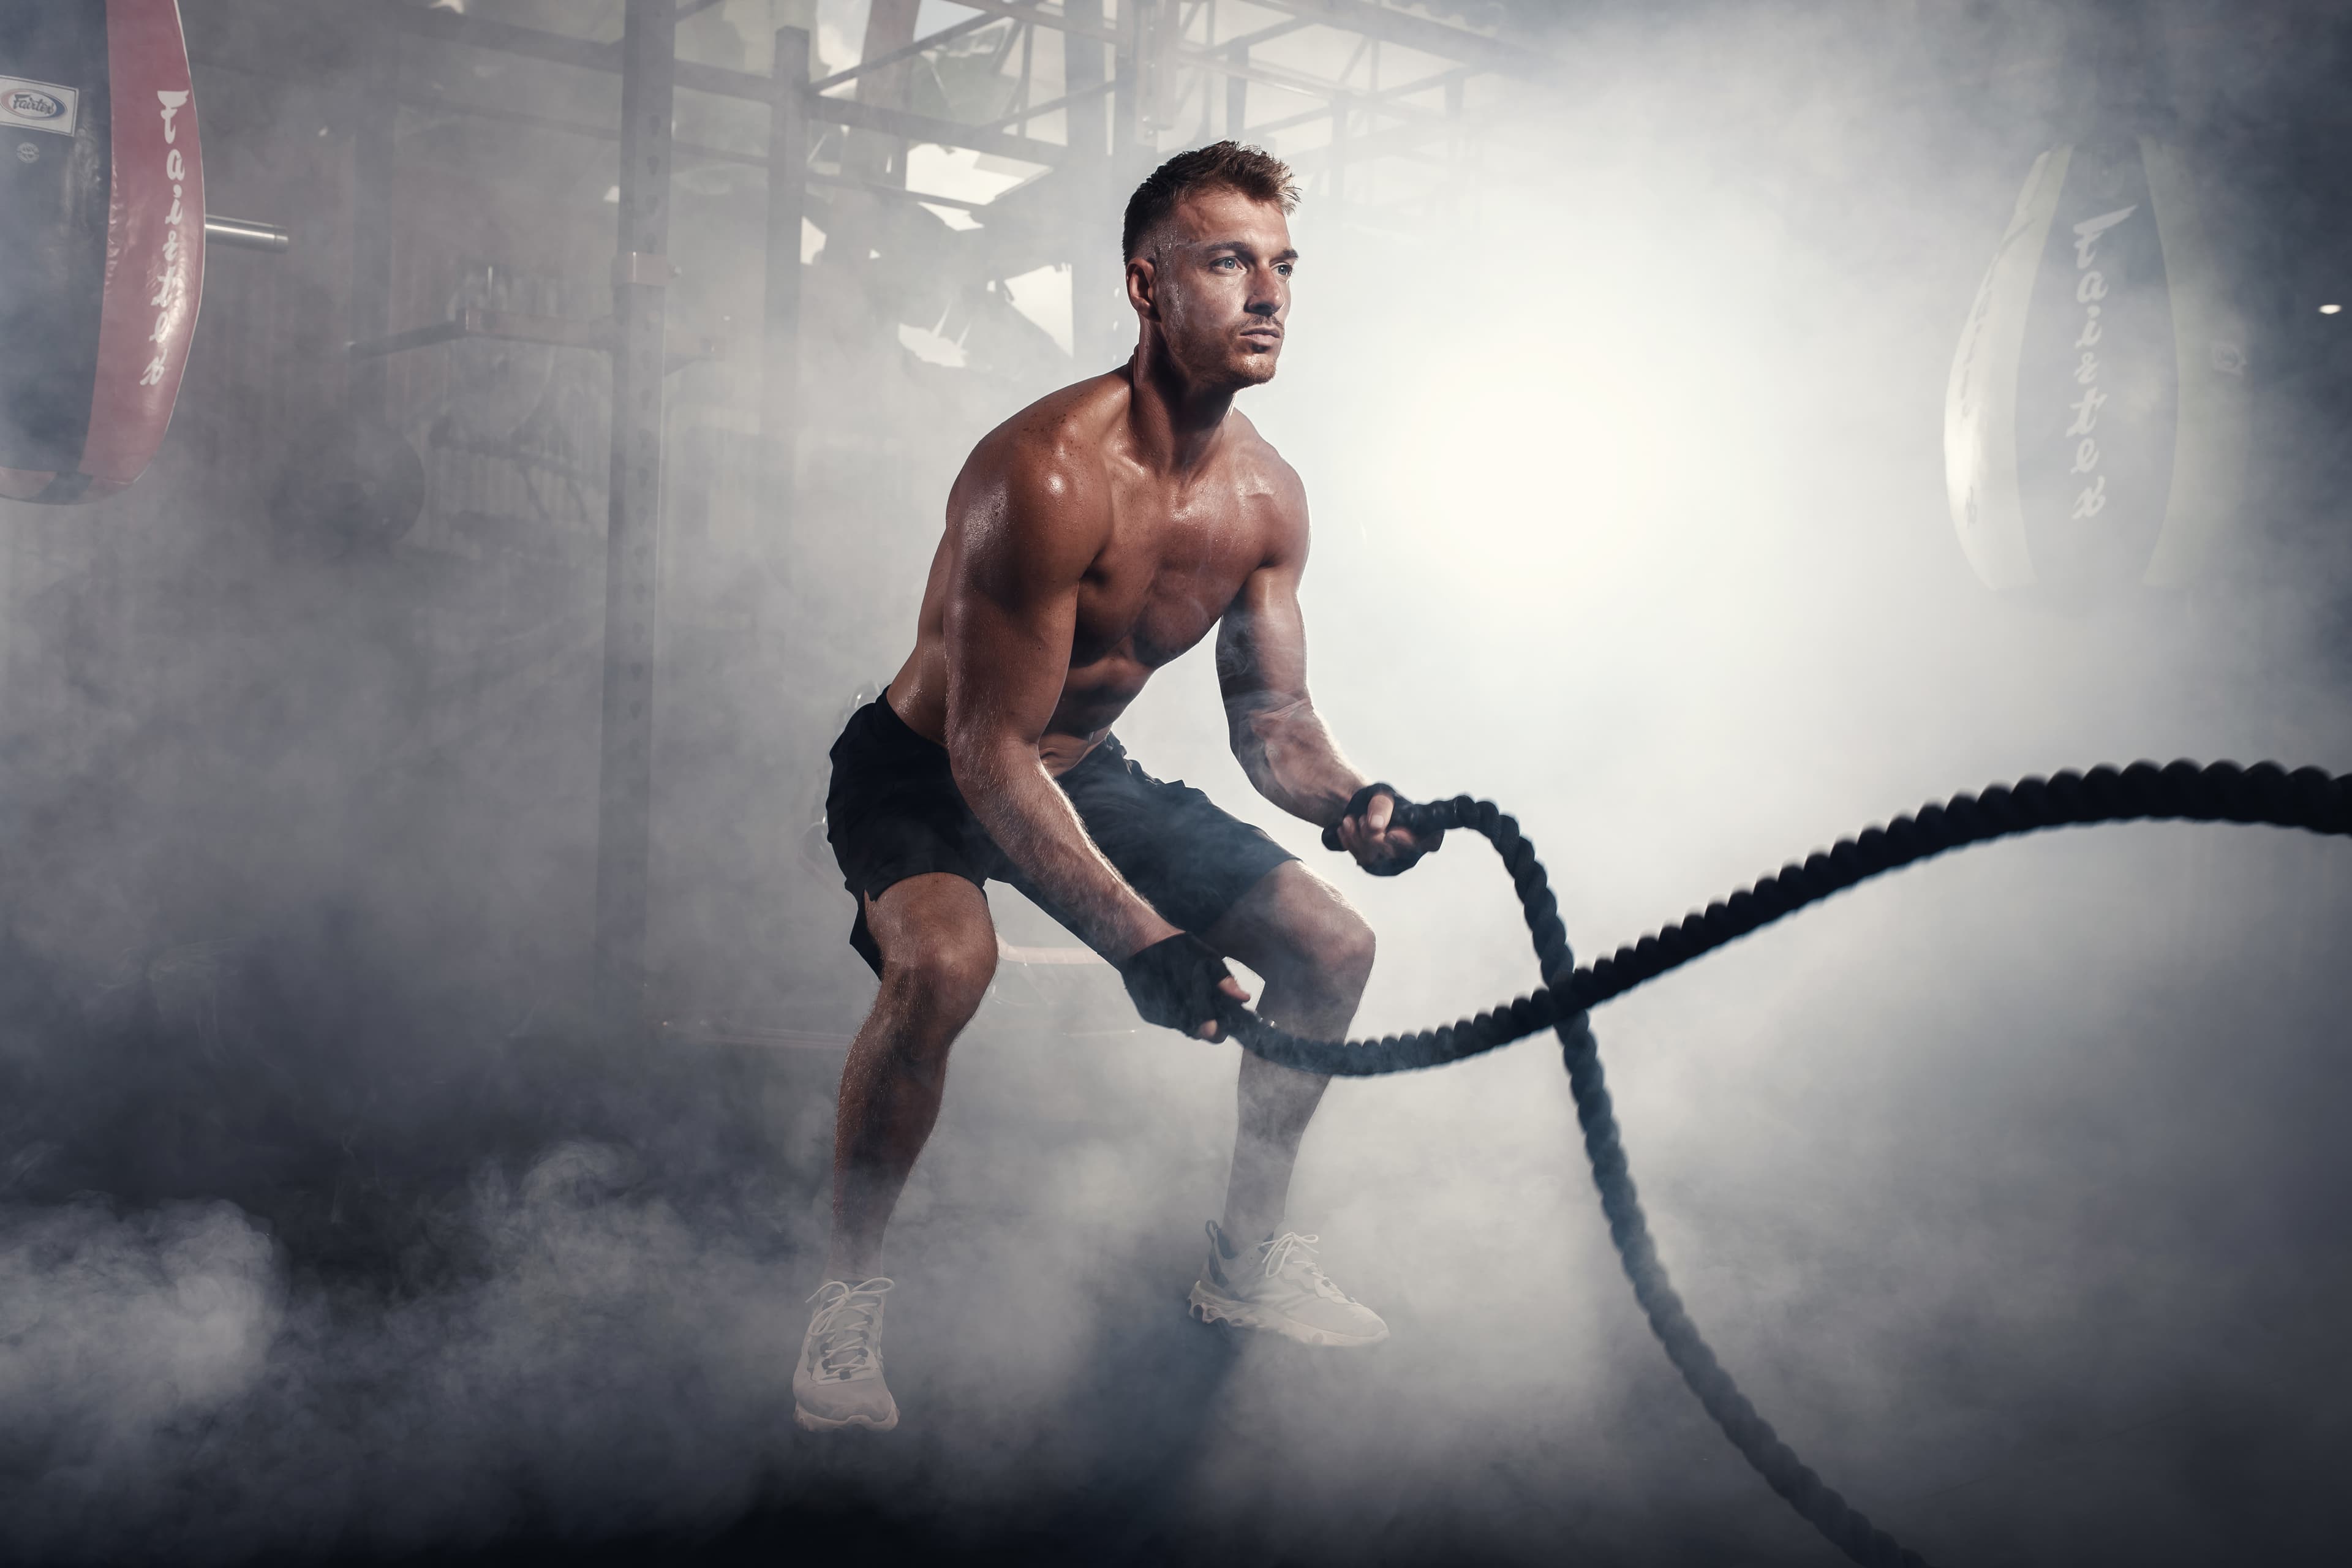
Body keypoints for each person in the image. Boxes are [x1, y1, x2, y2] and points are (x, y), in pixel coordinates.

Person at [797, 143, 1441, 1434]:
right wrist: (1143, 942)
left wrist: (1350, 801)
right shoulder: (1043, 472)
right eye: (1230, 263)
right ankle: (844, 1296)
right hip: (929, 762)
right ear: (1147, 286)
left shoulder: (1267, 498)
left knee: (1334, 945)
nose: (1269, 294)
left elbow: (1273, 721)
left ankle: (1244, 1262)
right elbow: (988, 753)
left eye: (1283, 266)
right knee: (944, 967)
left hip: (1082, 769)